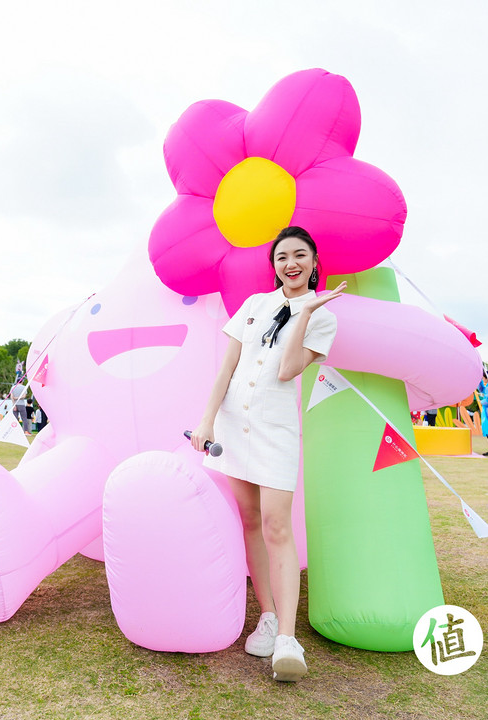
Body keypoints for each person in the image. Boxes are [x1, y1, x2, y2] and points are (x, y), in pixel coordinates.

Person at [190, 226, 345, 683]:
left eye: (299, 255)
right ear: (274, 264)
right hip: (234, 427)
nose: (290, 263)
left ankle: (287, 639)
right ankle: (268, 614)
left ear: (314, 261)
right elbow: (228, 367)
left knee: (278, 525)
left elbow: (288, 369)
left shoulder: (323, 315)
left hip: (276, 431)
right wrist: (206, 421)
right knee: (250, 521)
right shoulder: (254, 305)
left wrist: (304, 313)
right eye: (282, 257)